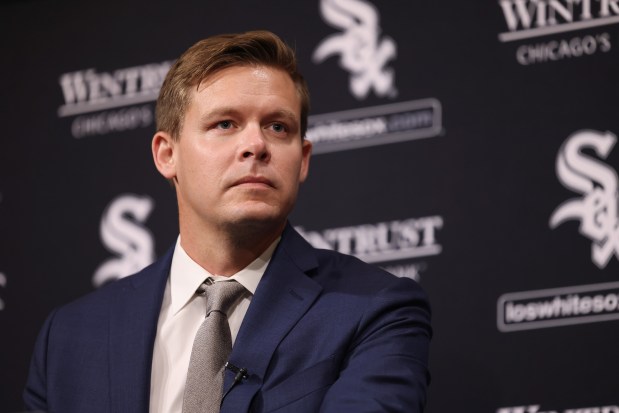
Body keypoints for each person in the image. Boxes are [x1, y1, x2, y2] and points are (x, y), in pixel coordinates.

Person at [23, 30, 431, 412]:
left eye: (277, 126)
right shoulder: (70, 337)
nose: (255, 145)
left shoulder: (376, 311)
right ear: (167, 154)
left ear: (302, 160)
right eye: (225, 124)